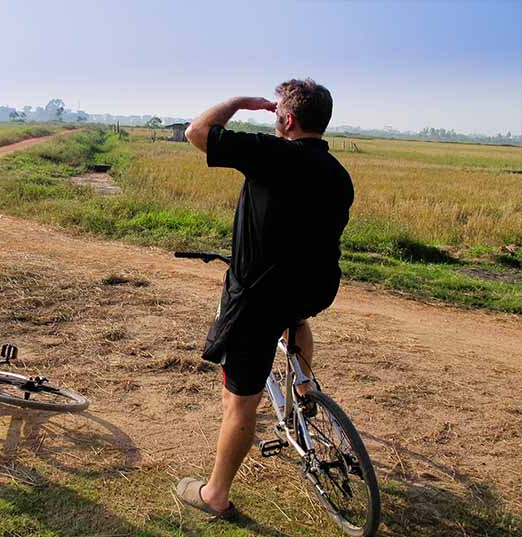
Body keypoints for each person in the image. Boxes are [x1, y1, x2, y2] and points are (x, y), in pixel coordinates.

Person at [174, 79, 354, 519]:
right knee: (296, 318)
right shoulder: (338, 174)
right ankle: (305, 388)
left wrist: (238, 102)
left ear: (287, 119)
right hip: (314, 288)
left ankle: (214, 494)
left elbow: (196, 132)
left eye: (278, 115)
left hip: (258, 299)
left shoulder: (272, 154)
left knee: (239, 403)